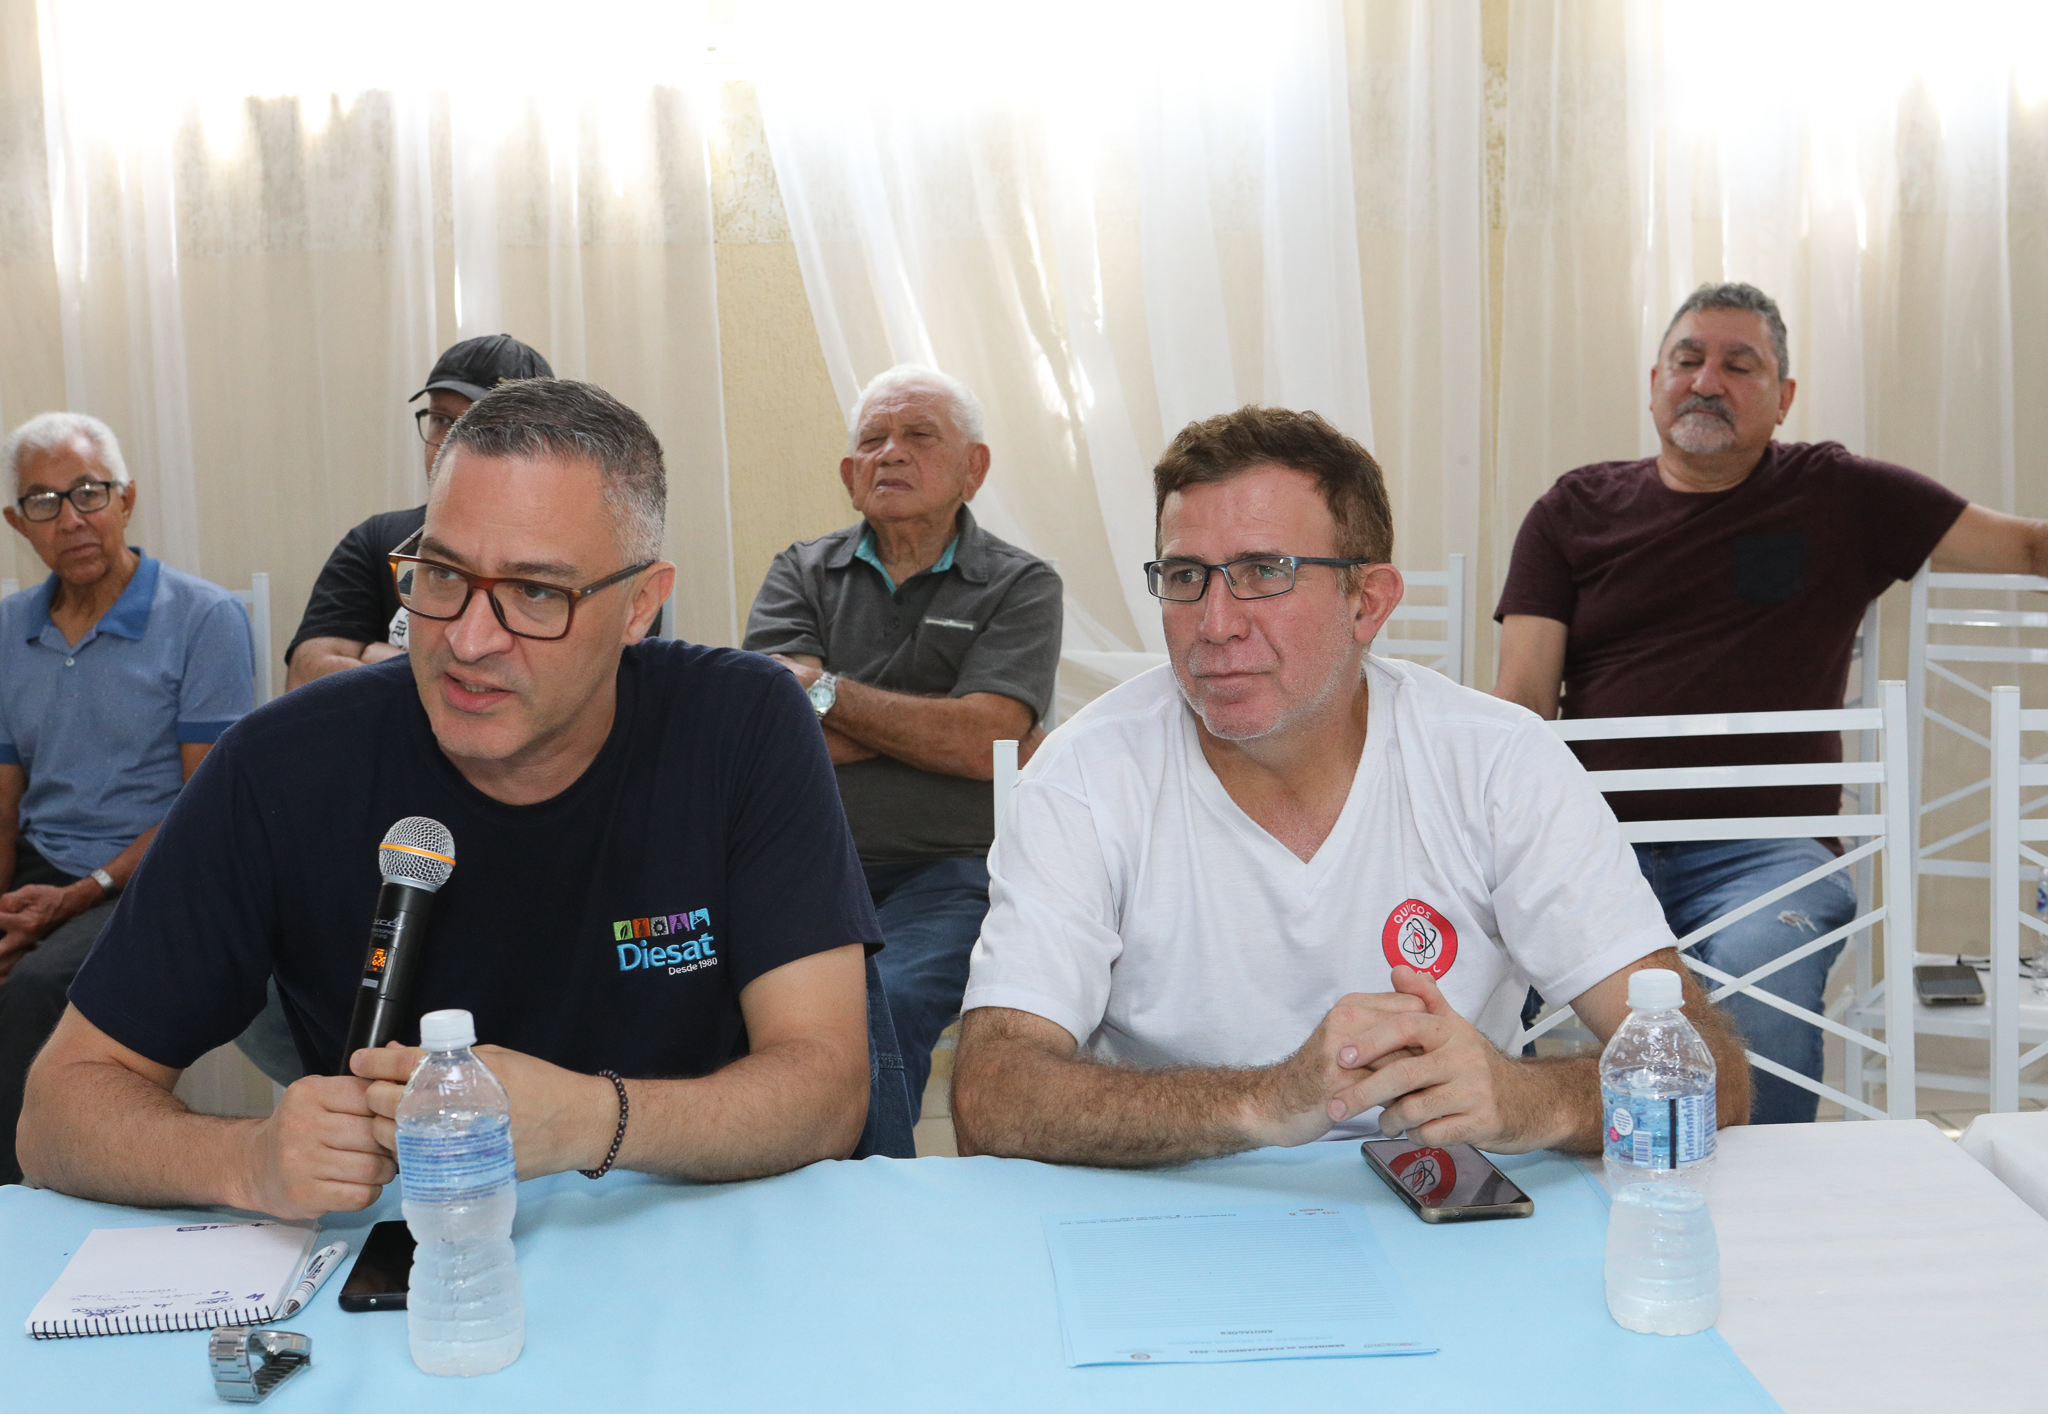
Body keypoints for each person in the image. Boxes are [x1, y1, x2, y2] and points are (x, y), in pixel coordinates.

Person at [19, 379, 894, 1219]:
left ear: (640, 606)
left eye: (535, 592)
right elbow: (57, 1113)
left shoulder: (740, 725)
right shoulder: (281, 763)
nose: (469, 642)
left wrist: (590, 1120)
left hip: (701, 1236)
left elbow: (824, 1092)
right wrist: (245, 1160)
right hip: (423, 1262)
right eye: (441, 577)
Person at [951, 406, 1750, 1167]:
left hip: (1447, 1212)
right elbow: (993, 1093)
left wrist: (1526, 1102)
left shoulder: (1498, 762)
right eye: (1187, 575)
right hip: (1169, 1215)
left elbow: (1710, 1076)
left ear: (1367, 601)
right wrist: (1266, 1103)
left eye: (1263, 571)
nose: (1215, 621)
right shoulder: (1084, 775)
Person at [1492, 281, 2048, 1124]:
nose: (1706, 380)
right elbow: (1522, 704)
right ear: (1654, 381)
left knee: (1763, 977)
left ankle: (1765, 1219)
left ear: (1782, 399)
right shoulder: (1572, 509)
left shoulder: (1840, 495)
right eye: (1687, 360)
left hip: (1764, 852)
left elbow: (2027, 546)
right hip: (1595, 839)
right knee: (1482, 967)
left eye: (1738, 364)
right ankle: (1518, 1198)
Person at [0, 413, 253, 1190]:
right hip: (38, 868)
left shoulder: (204, 618)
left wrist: (80, 895)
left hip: (148, 876)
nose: (70, 518)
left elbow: (204, 811)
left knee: (39, 990)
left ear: (126, 499)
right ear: (19, 523)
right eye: (43, 502)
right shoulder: (6, 630)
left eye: (88, 493)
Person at [744, 365, 1062, 1122]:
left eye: (918, 436)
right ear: (850, 475)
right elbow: (770, 738)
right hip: (808, 861)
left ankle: (863, 1195)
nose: (891, 453)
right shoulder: (800, 570)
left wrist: (823, 691)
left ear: (972, 468)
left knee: (888, 1002)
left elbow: (985, 736)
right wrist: (940, 729)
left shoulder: (1019, 585)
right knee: (738, 999)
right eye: (873, 441)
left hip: (949, 872)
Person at [284, 334, 552, 691]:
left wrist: (379, 658)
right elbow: (305, 680)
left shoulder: (560, 556)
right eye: (441, 420)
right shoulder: (377, 540)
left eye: (481, 426)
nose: (451, 444)